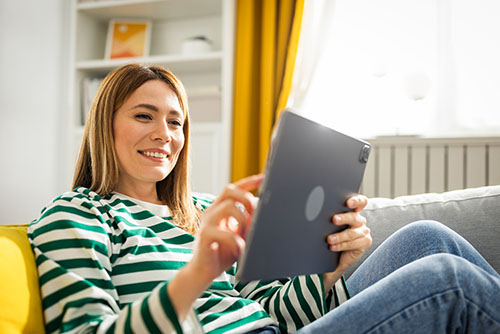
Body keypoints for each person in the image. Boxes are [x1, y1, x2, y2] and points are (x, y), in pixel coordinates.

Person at [28, 64, 500, 334]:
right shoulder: (78, 214)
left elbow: (269, 310)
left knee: (425, 238)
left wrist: (331, 268)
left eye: (175, 122)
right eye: (144, 116)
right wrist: (198, 273)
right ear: (105, 124)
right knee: (449, 281)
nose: (164, 135)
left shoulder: (202, 212)